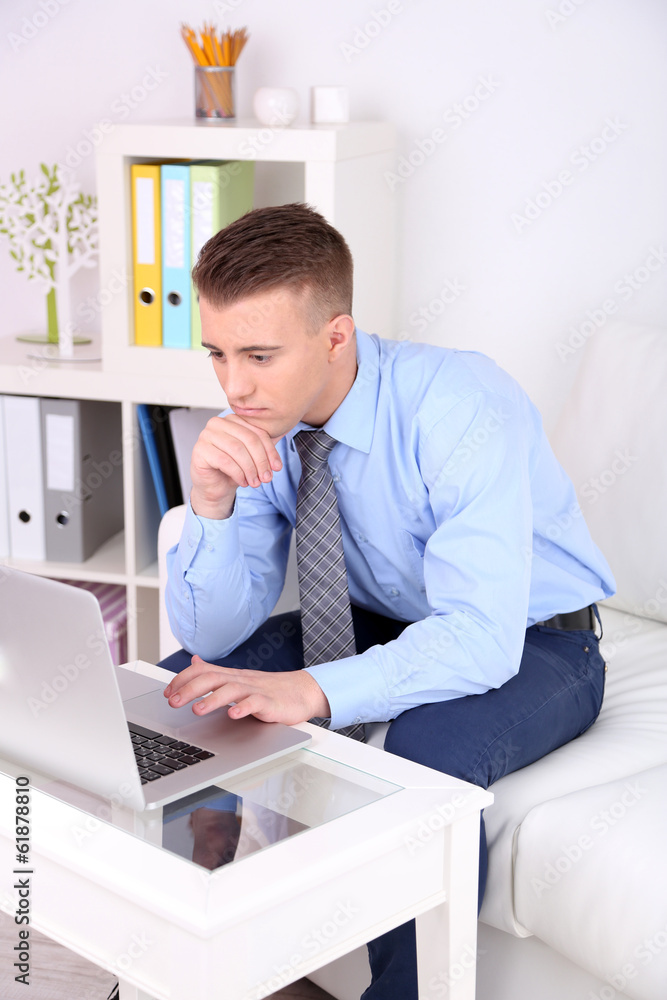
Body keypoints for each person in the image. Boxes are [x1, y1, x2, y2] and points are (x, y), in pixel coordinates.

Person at [161, 202, 615, 1000]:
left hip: (538, 640)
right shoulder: (264, 424)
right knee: (183, 695)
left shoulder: (458, 403)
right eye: (218, 354)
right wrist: (210, 504)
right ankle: (186, 965)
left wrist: (310, 691)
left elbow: (478, 635)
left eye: (260, 355)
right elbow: (213, 631)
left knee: (420, 764)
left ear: (335, 336)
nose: (234, 385)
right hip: (385, 620)